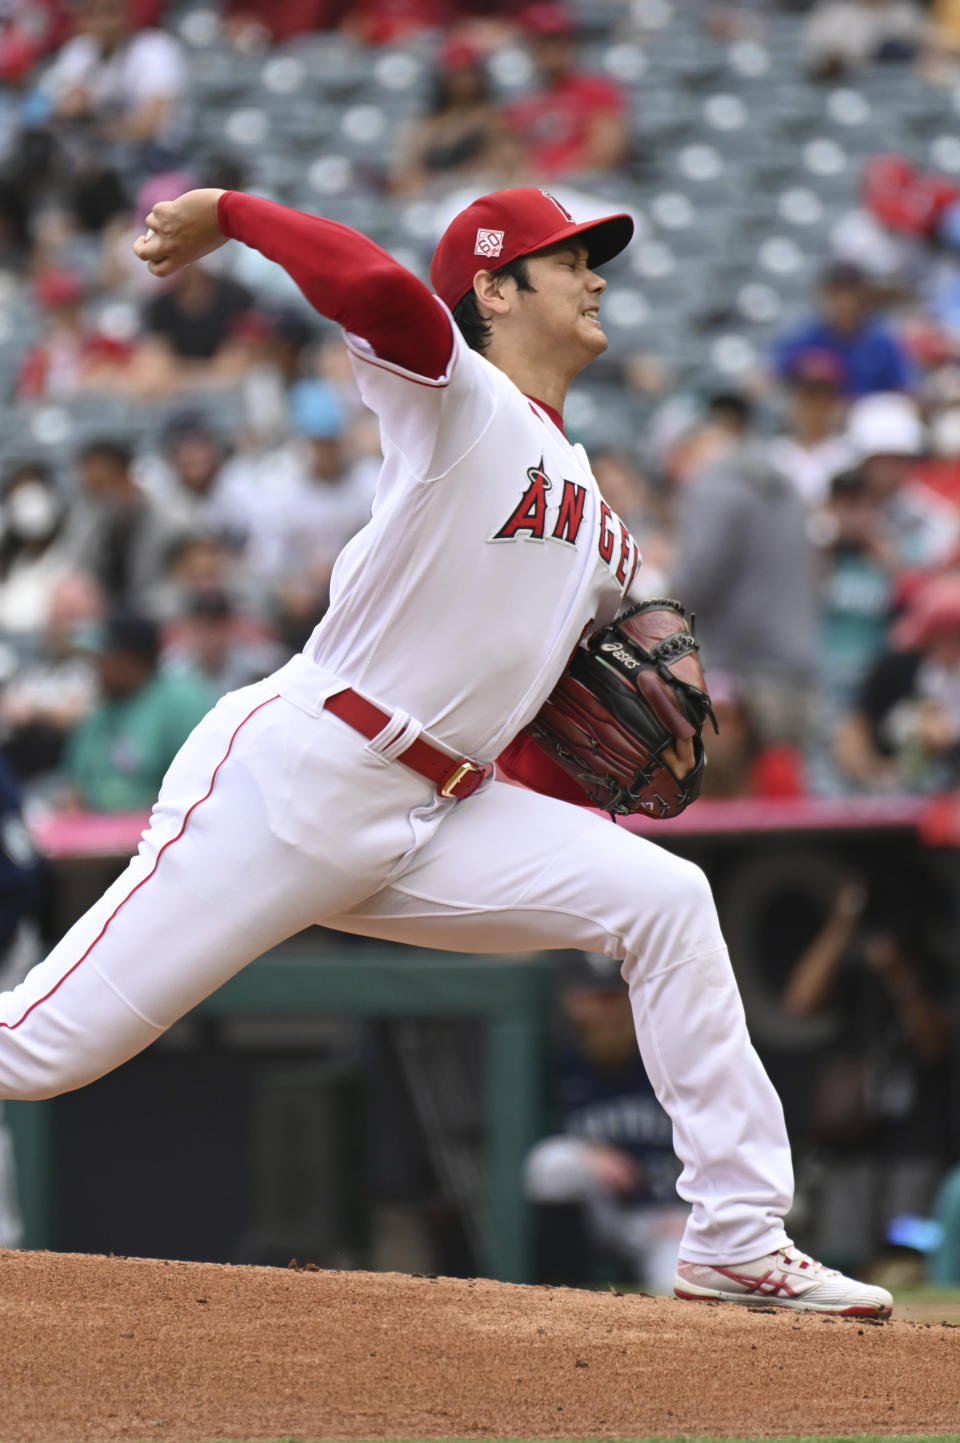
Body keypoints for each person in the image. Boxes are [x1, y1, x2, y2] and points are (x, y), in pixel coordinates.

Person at [0, 182, 891, 1317]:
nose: (596, 277)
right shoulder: (459, 403)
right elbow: (373, 289)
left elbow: (533, 716)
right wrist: (229, 210)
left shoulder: (603, 519)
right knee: (36, 1051)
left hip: (440, 812)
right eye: (569, 260)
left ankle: (736, 1235)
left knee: (667, 901)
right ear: (495, 286)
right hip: (297, 782)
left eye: (592, 260)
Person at [526, 953, 687, 1292]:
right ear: (574, 1003)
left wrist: (698, 1215)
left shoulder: (669, 1061)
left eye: (615, 997)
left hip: (666, 1220)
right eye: (597, 998)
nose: (608, 1011)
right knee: (552, 1164)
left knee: (676, 1288)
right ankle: (569, 1298)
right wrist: (586, 1154)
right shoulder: (558, 1063)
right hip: (603, 1215)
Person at [61, 609, 214, 813]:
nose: (95, 667)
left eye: (102, 658)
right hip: (94, 838)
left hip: (161, 836)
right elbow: (74, 788)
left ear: (132, 661)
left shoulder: (183, 703)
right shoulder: (98, 711)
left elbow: (201, 790)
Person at [772, 261, 914, 400]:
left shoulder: (882, 342)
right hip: (821, 417)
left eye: (849, 294)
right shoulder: (806, 337)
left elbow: (904, 392)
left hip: (866, 419)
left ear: (862, 295)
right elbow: (768, 375)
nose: (844, 302)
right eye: (836, 294)